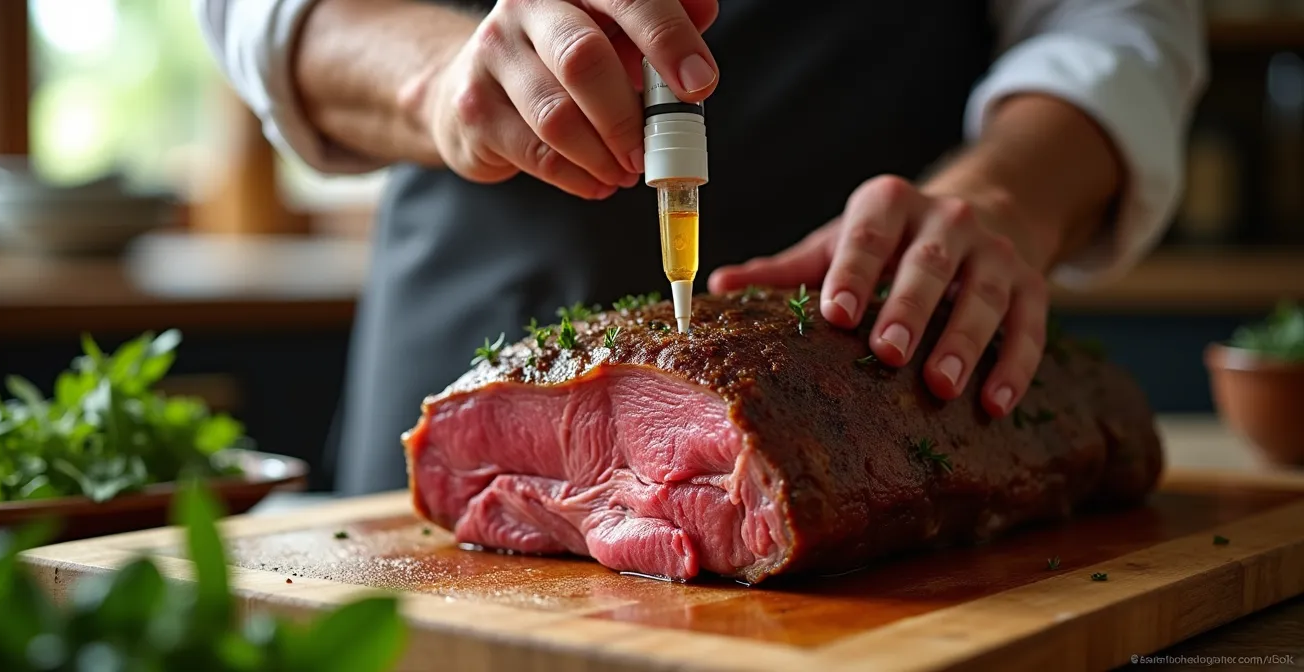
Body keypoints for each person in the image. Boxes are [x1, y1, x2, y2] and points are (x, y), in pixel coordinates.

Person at [194, 0, 1207, 495]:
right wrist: (439, 78)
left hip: (887, 331)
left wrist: (1005, 195)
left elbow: (1119, 21)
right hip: (480, 343)